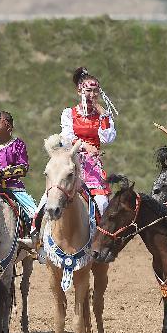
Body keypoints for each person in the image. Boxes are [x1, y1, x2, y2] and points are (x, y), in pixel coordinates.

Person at [29, 67, 117, 245]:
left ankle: (99, 241)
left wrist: (104, 114)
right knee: (48, 197)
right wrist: (85, 145)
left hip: (92, 167)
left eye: (95, 91)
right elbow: (67, 137)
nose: (92, 95)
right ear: (79, 91)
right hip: (70, 161)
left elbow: (108, 138)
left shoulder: (101, 116)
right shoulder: (69, 113)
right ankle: (35, 235)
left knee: (101, 202)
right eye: (88, 90)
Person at [0, 110, 38, 226]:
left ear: (7, 125)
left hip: (13, 188)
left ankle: (34, 239)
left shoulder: (18, 144)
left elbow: (23, 168)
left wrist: (0, 173)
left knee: (34, 213)